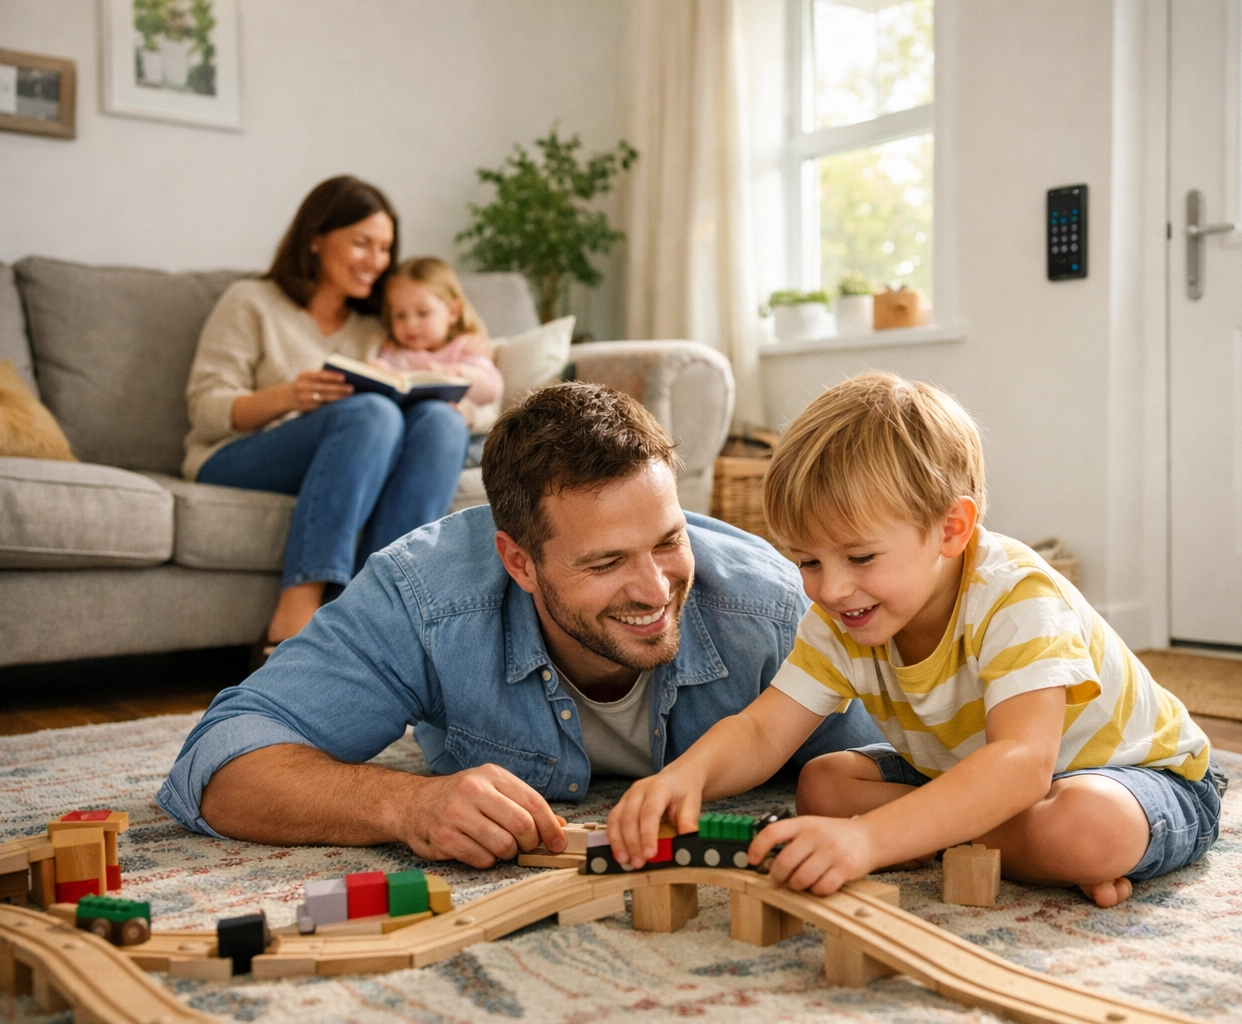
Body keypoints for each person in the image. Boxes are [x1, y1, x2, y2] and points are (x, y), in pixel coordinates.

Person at [157, 383, 883, 868]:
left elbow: (903, 765)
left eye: (666, 539)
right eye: (605, 562)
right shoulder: (424, 598)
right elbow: (217, 765)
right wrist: (405, 803)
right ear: (520, 562)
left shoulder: (772, 607)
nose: (655, 587)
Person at [605, 372, 1223, 908]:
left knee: (1086, 827)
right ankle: (1004, 844)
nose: (833, 589)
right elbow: (764, 730)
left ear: (952, 529)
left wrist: (872, 838)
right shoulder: (842, 618)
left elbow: (1022, 764)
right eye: (809, 562)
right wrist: (684, 777)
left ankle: (986, 840)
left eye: (861, 556)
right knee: (821, 786)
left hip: (1136, 775)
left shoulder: (1017, 598)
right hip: (958, 770)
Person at [184, 176, 470, 663]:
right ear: (316, 237)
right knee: (370, 412)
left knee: (442, 424)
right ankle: (295, 610)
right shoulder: (250, 301)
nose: (376, 260)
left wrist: (459, 399)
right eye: (362, 243)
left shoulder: (380, 326)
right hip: (239, 456)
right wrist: (288, 396)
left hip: (353, 458)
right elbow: (206, 408)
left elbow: (454, 367)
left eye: (384, 248)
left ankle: (383, 615)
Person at [376, 257, 504, 433]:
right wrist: (378, 369)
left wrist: (457, 372)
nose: (410, 324)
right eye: (399, 315)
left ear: (453, 312)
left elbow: (492, 389)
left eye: (423, 313)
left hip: (448, 430)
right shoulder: (394, 352)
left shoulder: (465, 348)